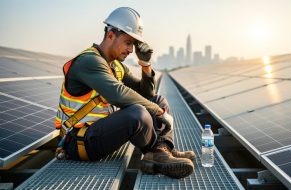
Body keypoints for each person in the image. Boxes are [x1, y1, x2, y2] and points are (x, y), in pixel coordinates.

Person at [54, 7, 196, 179]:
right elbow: (118, 94)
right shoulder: (89, 61)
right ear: (111, 35)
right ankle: (157, 154)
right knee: (138, 113)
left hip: (98, 134)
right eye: (128, 42)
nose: (131, 50)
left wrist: (145, 64)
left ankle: (161, 151)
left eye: (133, 45)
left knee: (158, 100)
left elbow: (146, 93)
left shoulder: (116, 66)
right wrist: (157, 112)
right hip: (78, 142)